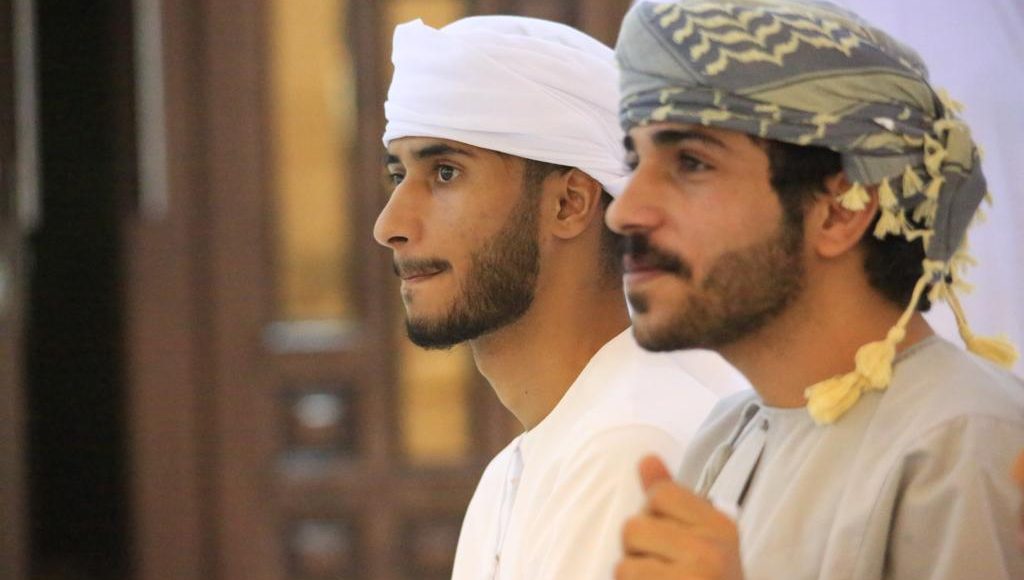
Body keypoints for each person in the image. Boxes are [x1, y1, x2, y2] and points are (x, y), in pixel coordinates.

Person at [606, 1, 1024, 578]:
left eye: (692, 162)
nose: (624, 211)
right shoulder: (729, 434)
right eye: (635, 160)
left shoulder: (964, 442)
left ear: (839, 211)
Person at [374, 15, 744, 580]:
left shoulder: (629, 446)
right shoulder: (517, 470)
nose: (390, 226)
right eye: (398, 175)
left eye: (445, 172)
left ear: (569, 203)